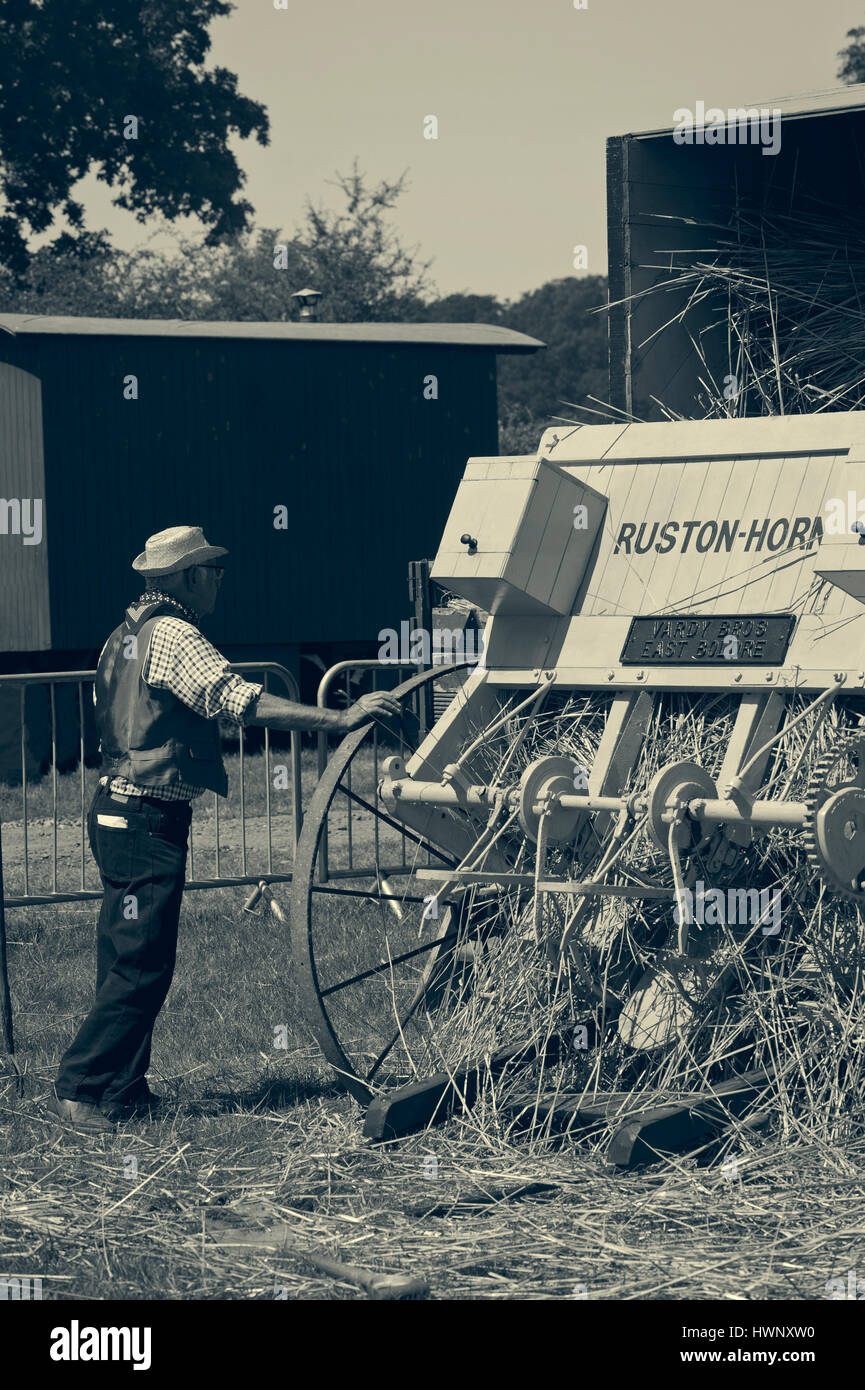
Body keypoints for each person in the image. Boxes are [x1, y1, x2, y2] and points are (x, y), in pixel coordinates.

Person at [48, 526, 399, 1132]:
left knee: (126, 954)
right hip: (144, 817)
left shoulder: (123, 633)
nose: (220, 579)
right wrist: (338, 717)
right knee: (141, 963)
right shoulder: (176, 633)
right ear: (187, 576)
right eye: (213, 569)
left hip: (116, 808)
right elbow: (237, 700)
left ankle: (124, 1088)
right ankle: (79, 1089)